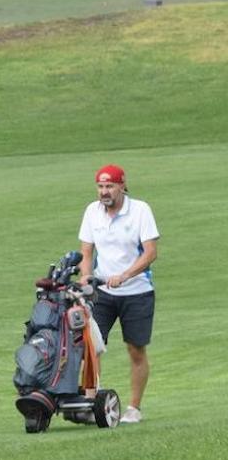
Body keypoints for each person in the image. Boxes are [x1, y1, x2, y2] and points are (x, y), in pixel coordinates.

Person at [79, 164, 159, 424]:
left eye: (110, 186)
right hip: (101, 292)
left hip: (137, 292)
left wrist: (125, 275)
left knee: (135, 349)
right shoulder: (92, 212)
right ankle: (92, 404)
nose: (105, 192)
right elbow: (87, 253)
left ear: (122, 186)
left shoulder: (140, 211)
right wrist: (84, 278)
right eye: (101, 187)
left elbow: (150, 253)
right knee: (91, 348)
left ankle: (134, 408)